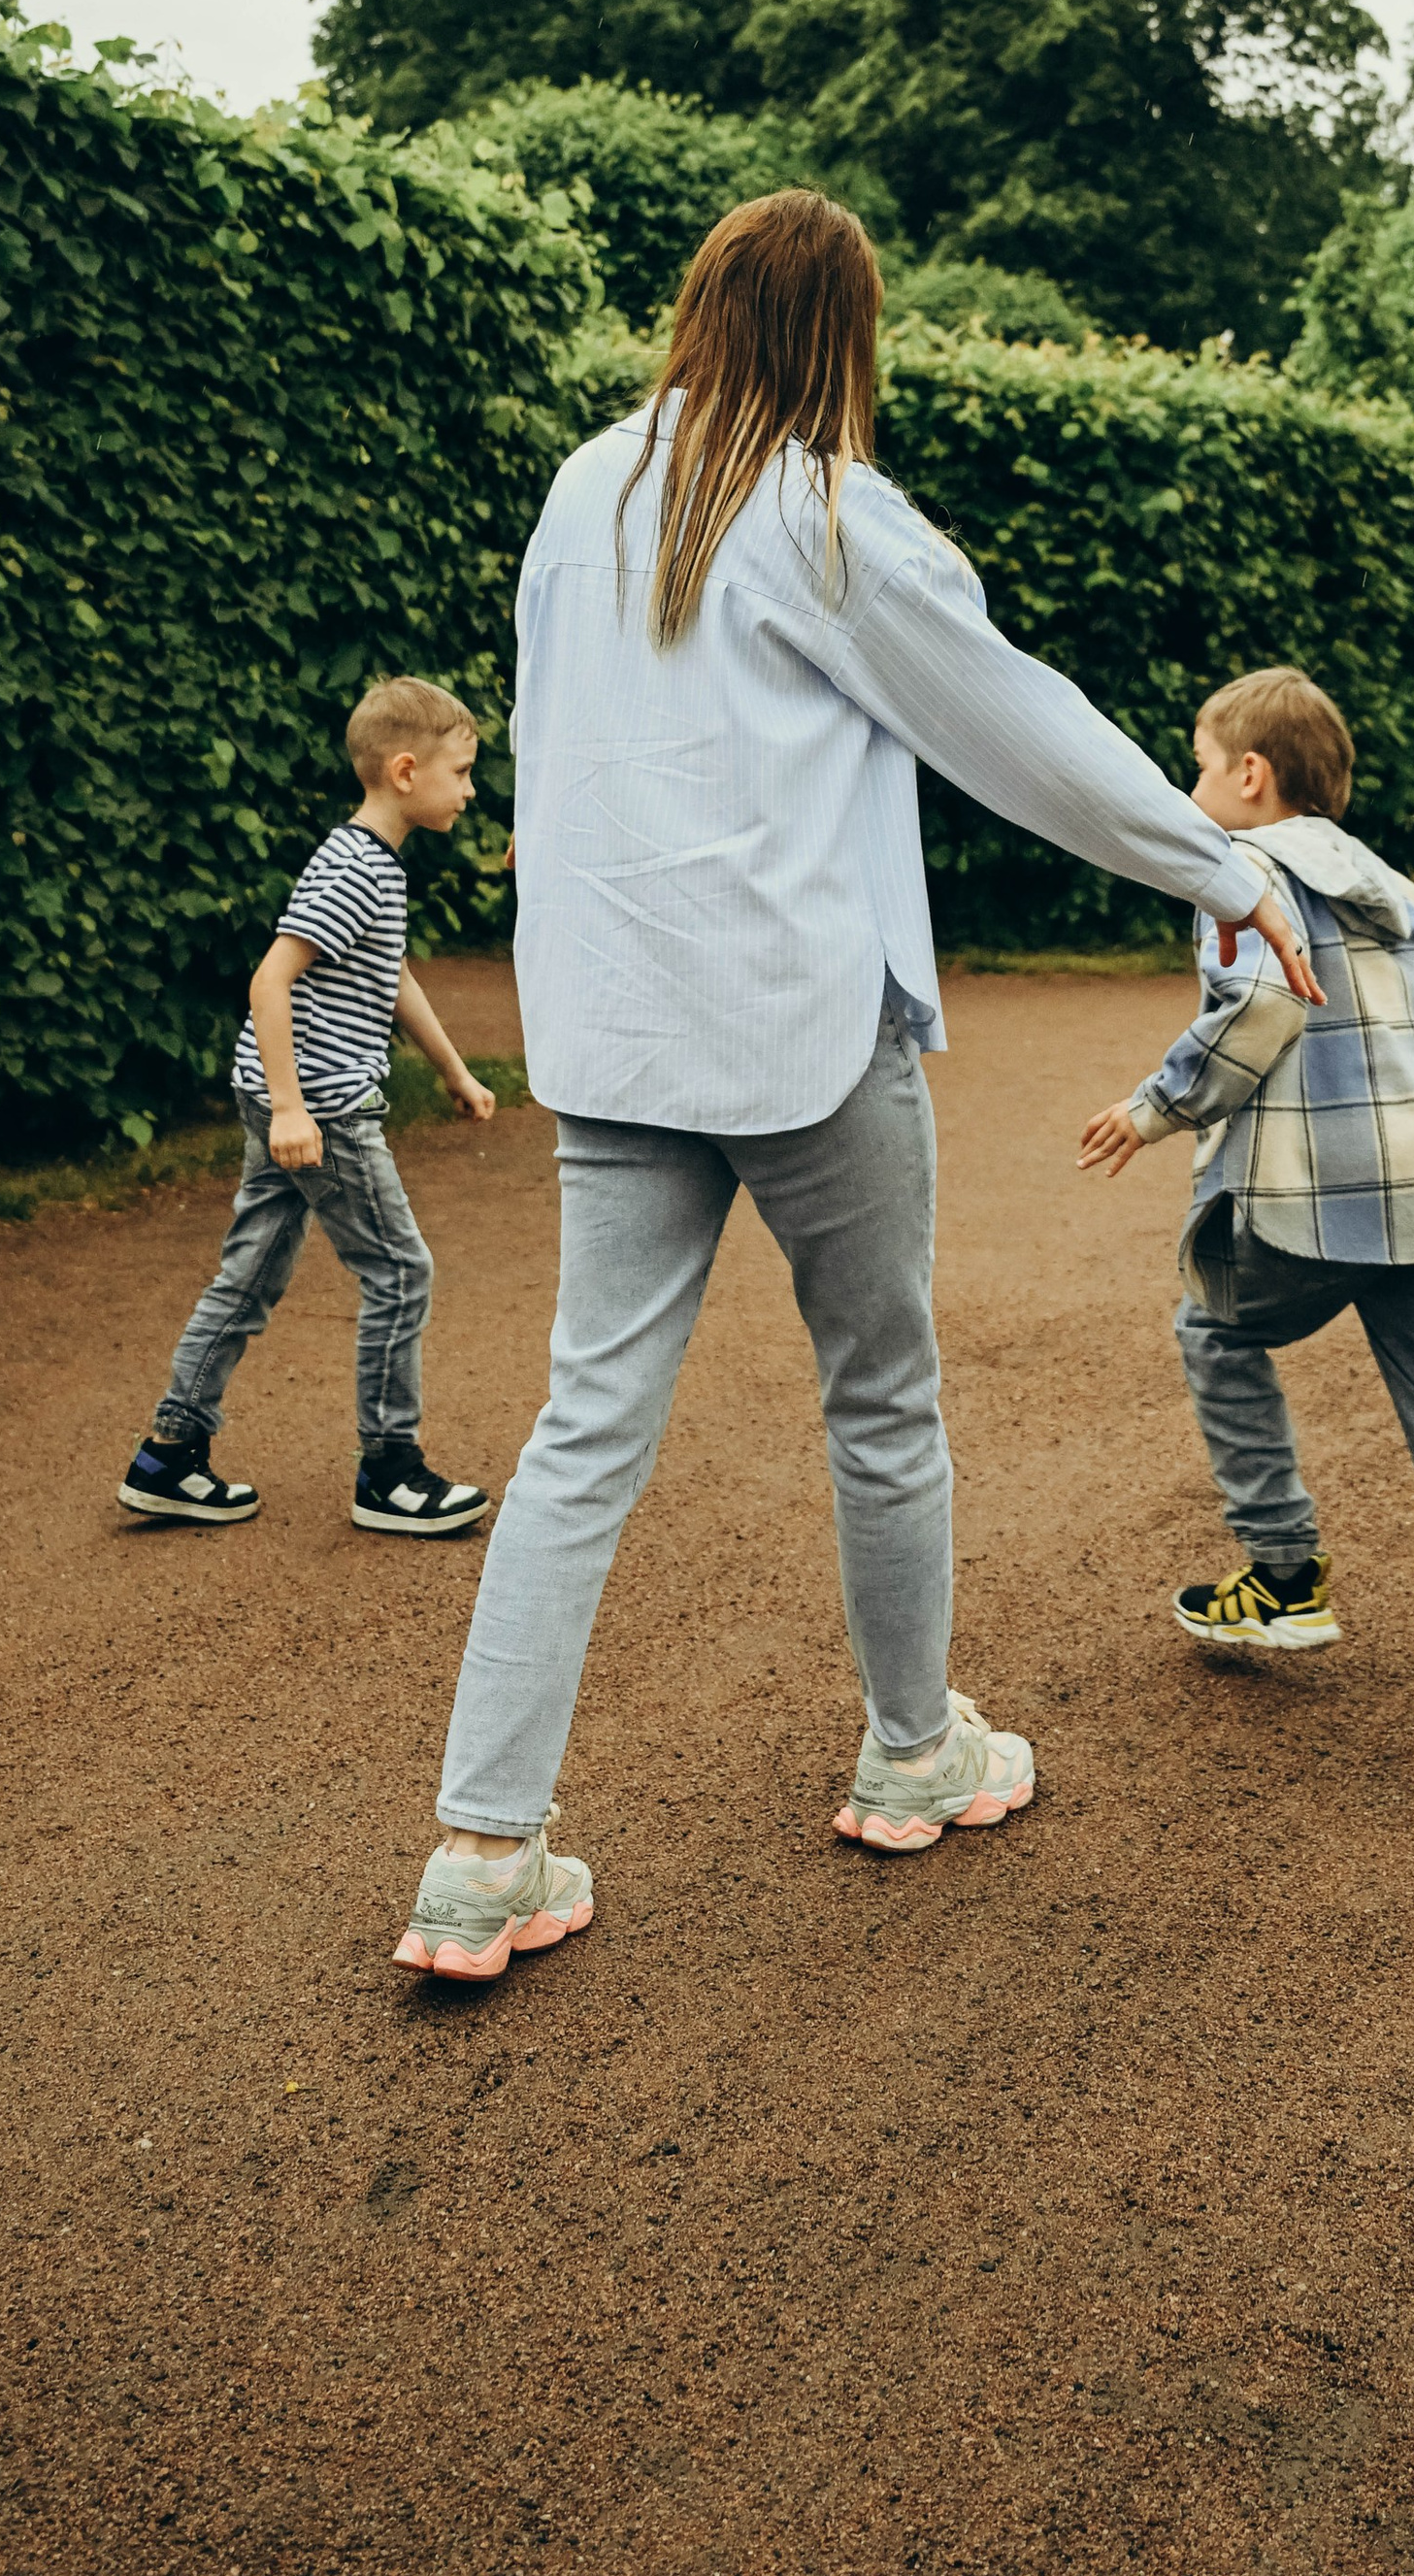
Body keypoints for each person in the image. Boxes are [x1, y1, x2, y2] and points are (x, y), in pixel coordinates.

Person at [395, 192, 1328, 1983]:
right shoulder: (826, 511)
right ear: (843, 335)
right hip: (801, 1026)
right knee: (882, 1397)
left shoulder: (583, 488)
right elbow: (1019, 724)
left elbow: (557, 747)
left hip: (617, 1029)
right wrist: (1224, 871)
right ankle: (913, 1753)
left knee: (583, 1430)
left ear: (698, 310)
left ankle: (479, 1852)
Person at [1076, 665, 1414, 1800]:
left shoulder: (1236, 876)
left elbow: (1260, 1004)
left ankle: (1281, 1575)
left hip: (1312, 1213)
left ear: (1250, 775)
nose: (1189, 783)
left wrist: (1152, 1110)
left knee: (1215, 1331)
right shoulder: (1400, 888)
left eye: (1197, 764)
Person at [118, 676, 498, 1540]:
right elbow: (271, 980)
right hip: (320, 1109)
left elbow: (390, 976)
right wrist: (293, 1110)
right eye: (461, 772)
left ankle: (169, 1456)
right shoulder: (356, 867)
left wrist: (452, 1070)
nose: (470, 791)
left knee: (250, 1275)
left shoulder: (372, 862)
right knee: (400, 1272)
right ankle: (390, 1474)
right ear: (406, 772)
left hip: (290, 1098)